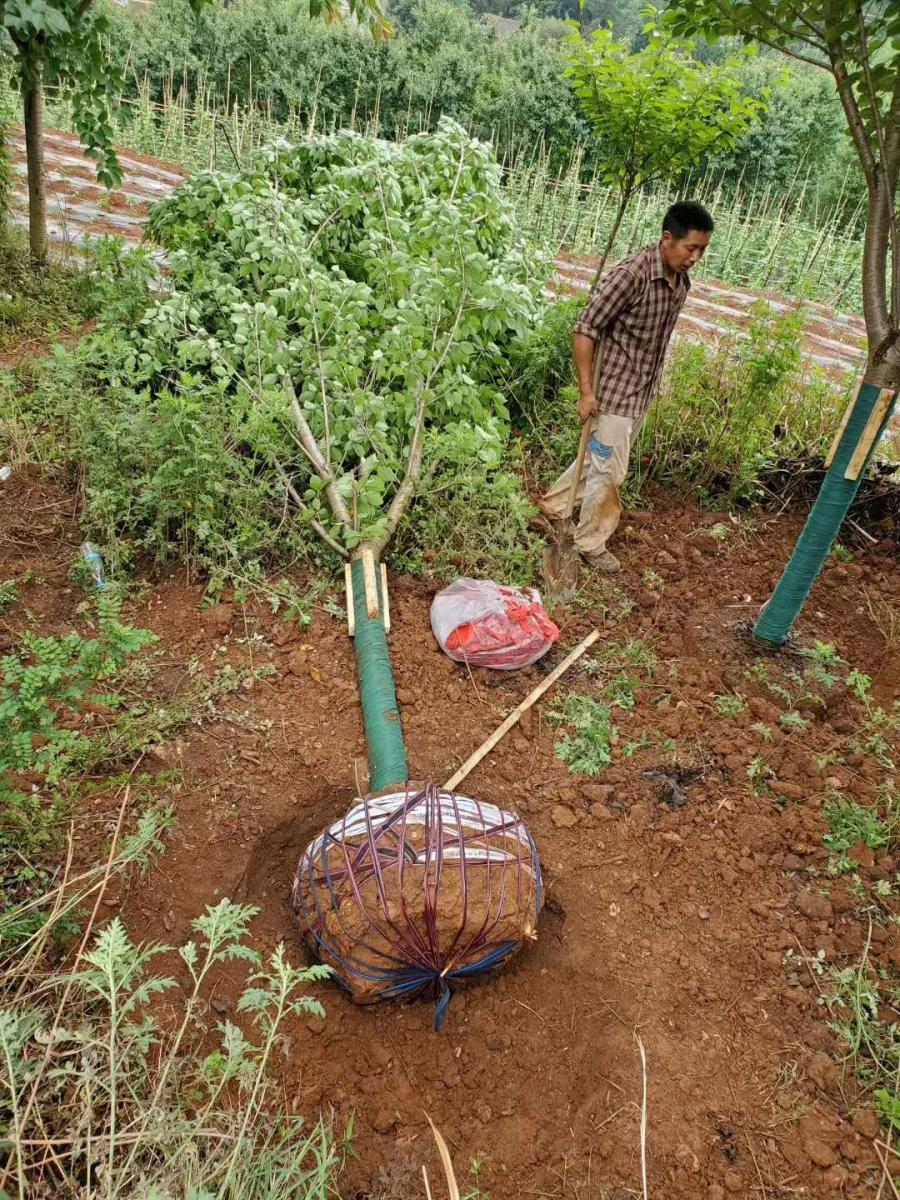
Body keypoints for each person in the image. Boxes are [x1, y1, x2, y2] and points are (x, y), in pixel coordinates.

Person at [540, 200, 714, 572]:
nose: (696, 257)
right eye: (691, 248)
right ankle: (589, 541)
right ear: (668, 238)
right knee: (610, 470)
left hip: (641, 391)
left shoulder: (680, 282)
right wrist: (587, 391)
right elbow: (586, 328)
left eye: (703, 250)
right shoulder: (631, 274)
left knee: (597, 458)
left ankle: (554, 507)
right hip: (613, 394)